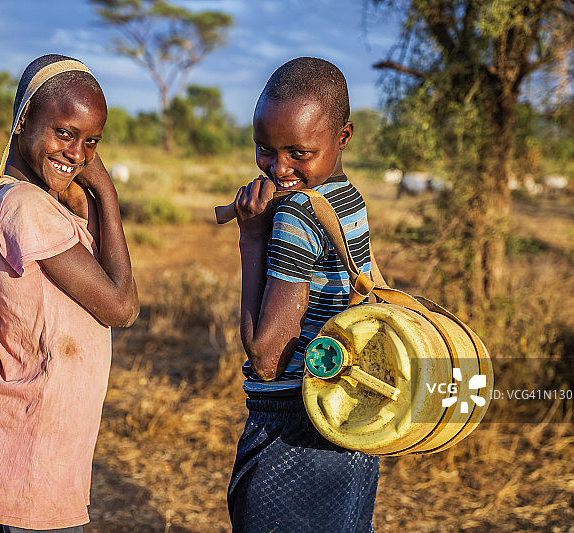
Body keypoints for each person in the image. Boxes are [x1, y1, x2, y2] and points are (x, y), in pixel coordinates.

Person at [0, 54, 139, 532]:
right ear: (23, 121)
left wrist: (84, 193)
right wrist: (107, 193)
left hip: (37, 451)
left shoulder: (39, 204)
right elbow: (122, 307)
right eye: (64, 133)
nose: (78, 154)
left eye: (91, 143)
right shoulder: (27, 209)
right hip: (31, 456)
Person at [227, 57, 380, 532]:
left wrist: (251, 237)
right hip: (347, 413)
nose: (279, 168)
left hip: (292, 421)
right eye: (265, 150)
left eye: (298, 152)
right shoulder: (346, 198)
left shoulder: (296, 213)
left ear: (343, 136)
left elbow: (269, 356)